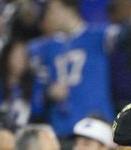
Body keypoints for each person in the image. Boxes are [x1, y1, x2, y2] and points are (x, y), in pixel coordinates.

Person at [29, 0, 114, 136]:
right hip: (62, 129)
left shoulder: (100, 35)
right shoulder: (45, 48)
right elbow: (37, 97)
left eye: (53, 10)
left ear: (68, 9)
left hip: (98, 126)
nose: (50, 15)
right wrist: (49, 92)